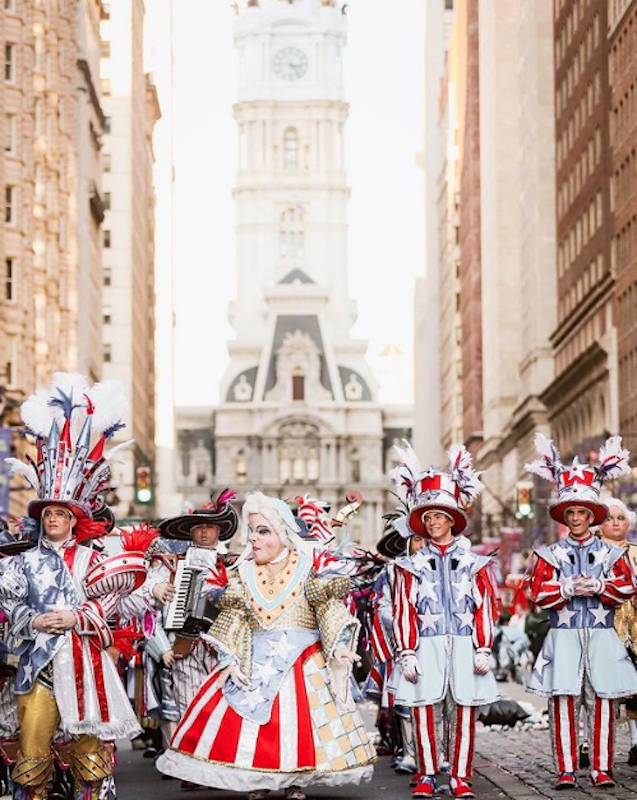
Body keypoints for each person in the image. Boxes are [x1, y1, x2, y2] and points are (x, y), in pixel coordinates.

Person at [156, 491, 375, 800]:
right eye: (252, 532)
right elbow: (235, 618)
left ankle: (295, 780)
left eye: (263, 531)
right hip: (254, 658)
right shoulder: (242, 574)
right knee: (255, 724)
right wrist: (229, 655)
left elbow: (325, 607)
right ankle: (257, 778)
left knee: (296, 724)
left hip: (303, 661)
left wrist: (338, 645)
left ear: (283, 535)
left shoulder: (307, 567)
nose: (254, 540)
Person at [1, 373, 144, 800]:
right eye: (47, 515)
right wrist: (35, 620)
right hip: (38, 664)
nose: (53, 520)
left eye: (61, 515)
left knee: (88, 756)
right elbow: (9, 608)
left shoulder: (93, 559)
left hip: (83, 664)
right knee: (32, 754)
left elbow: (110, 607)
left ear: (74, 519)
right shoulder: (23, 562)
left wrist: (76, 616)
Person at [387, 442, 499, 799]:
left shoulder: (475, 564)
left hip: (466, 644)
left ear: (452, 520)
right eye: (429, 518)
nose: (434, 523)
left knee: (464, 711)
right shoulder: (410, 566)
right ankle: (426, 773)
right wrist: (407, 651)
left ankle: (461, 776)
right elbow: (404, 609)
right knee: (422, 711)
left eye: (440, 517)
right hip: (426, 644)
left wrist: (484, 647)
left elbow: (486, 607)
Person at [525, 435, 637, 789]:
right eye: (570, 512)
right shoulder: (549, 554)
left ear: (592, 516)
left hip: (602, 636)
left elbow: (628, 586)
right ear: (565, 515)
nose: (575, 518)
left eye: (581, 513)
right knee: (563, 703)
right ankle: (566, 768)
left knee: (602, 699)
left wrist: (601, 587)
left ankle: (602, 767)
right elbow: (538, 593)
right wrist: (566, 588)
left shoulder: (613, 555)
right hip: (564, 636)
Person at [599, 496, 637, 765]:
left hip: (635, 630)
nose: (615, 522)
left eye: (620, 518)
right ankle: (593, 745)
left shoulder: (636, 552)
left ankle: (636, 744)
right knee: (600, 690)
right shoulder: (590, 551)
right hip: (602, 629)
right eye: (609, 518)